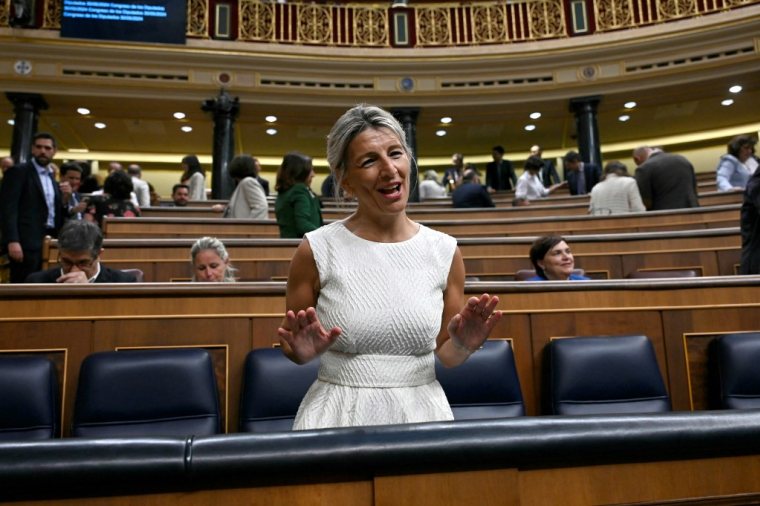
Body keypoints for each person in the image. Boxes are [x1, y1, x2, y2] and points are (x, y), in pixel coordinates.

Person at [278, 104, 503, 430]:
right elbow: (293, 345)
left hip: (423, 415)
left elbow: (446, 356)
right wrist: (300, 352)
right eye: (369, 161)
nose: (389, 170)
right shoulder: (316, 249)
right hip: (336, 414)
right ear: (345, 180)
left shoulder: (444, 250)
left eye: (395, 154)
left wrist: (464, 344)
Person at [0, 132, 64, 283]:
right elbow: (8, 209)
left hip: (49, 239)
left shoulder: (52, 177)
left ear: (54, 151)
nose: (43, 151)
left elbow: (53, 210)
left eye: (47, 148)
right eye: (39, 147)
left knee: (45, 285)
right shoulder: (18, 171)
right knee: (23, 285)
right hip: (24, 241)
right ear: (32, 149)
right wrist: (12, 240)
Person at [25, 220, 136, 283]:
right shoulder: (36, 281)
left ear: (98, 255)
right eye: (67, 261)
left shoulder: (125, 282)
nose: (74, 270)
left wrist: (87, 292)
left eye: (83, 263)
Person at [633, 146, 699, 210]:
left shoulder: (643, 168)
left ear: (637, 158)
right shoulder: (682, 159)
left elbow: (646, 201)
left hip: (665, 215)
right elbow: (695, 190)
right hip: (693, 210)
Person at [274, 152, 323, 238]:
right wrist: (326, 236)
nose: (313, 175)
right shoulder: (299, 190)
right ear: (299, 172)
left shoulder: (284, 192)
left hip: (289, 245)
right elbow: (303, 225)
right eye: (310, 170)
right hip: (301, 245)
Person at [214, 154, 268, 220]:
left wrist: (247, 227)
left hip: (244, 229)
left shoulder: (248, 182)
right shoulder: (242, 183)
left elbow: (261, 206)